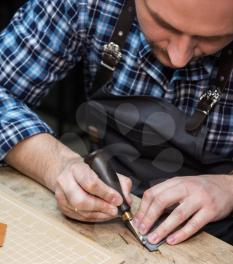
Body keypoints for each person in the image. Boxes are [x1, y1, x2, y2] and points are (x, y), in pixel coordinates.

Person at [0, 0, 233, 245]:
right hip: (102, 217)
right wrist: (59, 164)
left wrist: (228, 188)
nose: (179, 57)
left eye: (213, 38)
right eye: (165, 24)